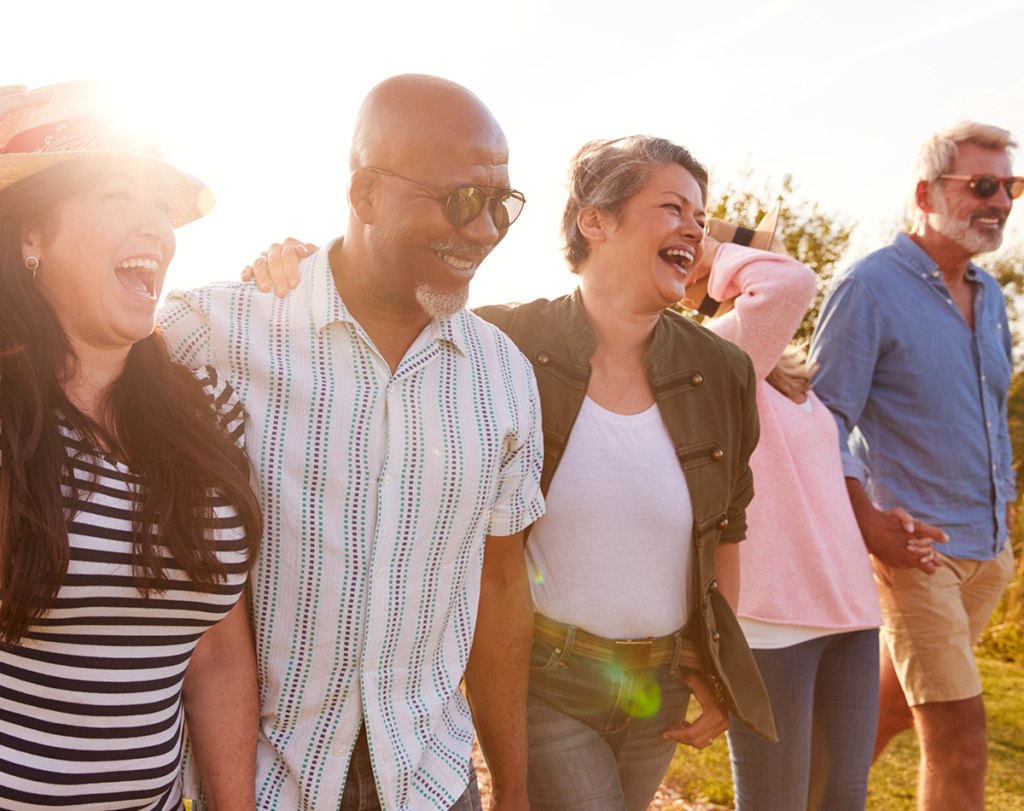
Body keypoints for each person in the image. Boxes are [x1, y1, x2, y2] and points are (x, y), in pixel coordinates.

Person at [246, 134, 775, 811]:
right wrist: (299, 264)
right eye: (674, 208)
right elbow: (387, 304)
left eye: (701, 219)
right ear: (596, 220)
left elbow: (726, 526)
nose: (695, 230)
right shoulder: (504, 344)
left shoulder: (721, 371)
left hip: (659, 687)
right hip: (549, 678)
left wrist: (711, 662)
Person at [159, 75, 545, 811]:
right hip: (255, 784)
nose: (487, 230)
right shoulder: (210, 335)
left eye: (503, 205)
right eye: (463, 200)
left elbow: (500, 589)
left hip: (432, 782)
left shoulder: (507, 378)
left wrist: (514, 791)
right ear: (365, 194)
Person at [0, 81, 263, 811]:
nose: (155, 227)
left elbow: (213, 648)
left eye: (160, 206)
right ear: (31, 235)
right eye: (119, 195)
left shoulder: (207, 409)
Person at [809, 122, 1020, 811]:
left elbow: (986, 420)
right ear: (927, 192)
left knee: (895, 707)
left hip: (987, 552)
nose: (1001, 201)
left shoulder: (991, 299)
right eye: (983, 185)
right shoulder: (868, 287)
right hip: (918, 551)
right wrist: (867, 521)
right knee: (959, 736)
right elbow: (823, 419)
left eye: (1011, 186)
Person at [683, 213, 885, 810]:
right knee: (778, 801)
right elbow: (789, 282)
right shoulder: (713, 357)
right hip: (771, 620)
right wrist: (710, 249)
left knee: (842, 799)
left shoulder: (795, 380)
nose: (760, 256)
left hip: (848, 611)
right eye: (741, 253)